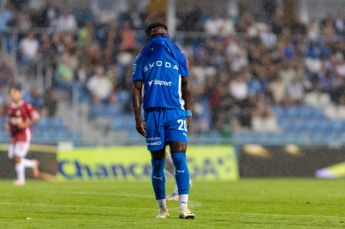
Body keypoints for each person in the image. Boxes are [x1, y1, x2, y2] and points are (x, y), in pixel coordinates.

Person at [132, 22, 195, 219]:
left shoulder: (145, 54)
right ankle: (164, 209)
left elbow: (136, 89)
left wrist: (188, 112)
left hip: (169, 112)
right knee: (162, 162)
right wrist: (188, 112)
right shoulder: (175, 53)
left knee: (175, 159)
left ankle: (180, 208)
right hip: (163, 113)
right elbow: (186, 85)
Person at [4, 83, 40, 186]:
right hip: (14, 135)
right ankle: (32, 163)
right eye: (11, 93)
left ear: (20, 93)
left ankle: (21, 180)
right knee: (12, 157)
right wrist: (7, 125)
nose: (12, 95)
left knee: (17, 156)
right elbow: (10, 120)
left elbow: (36, 117)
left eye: (14, 93)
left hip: (23, 135)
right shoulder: (10, 107)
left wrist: (26, 124)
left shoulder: (25, 106)